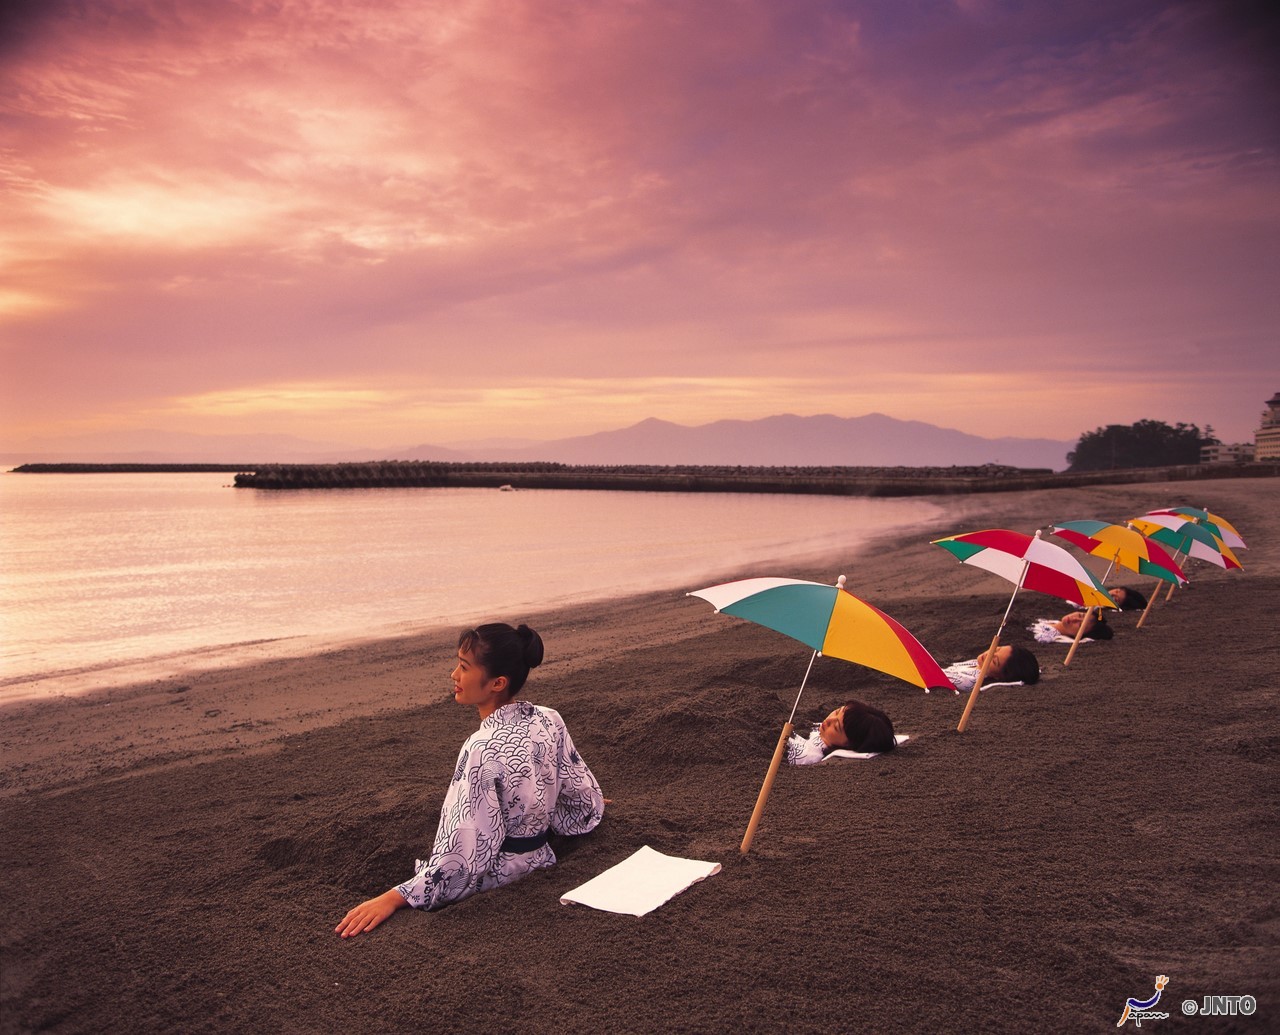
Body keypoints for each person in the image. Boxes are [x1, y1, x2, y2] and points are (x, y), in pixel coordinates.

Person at [335, 623, 604, 938]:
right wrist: (563, 802)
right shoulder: (548, 718)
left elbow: (463, 857)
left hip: (504, 875)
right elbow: (582, 797)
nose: (454, 675)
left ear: (497, 683)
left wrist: (396, 897)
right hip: (544, 857)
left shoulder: (481, 749)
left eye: (464, 667)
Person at [786, 699, 897, 765]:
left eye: (836, 726)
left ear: (848, 744)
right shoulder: (822, 729)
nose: (829, 720)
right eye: (837, 712)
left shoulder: (809, 755)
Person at [943, 644, 1040, 693]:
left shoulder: (969, 681)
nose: (988, 654)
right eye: (997, 649)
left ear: (998, 677)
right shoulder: (976, 663)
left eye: (994, 661)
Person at [1030, 609, 1113, 644]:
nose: (1075, 619)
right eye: (1080, 615)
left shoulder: (1045, 636)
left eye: (1080, 625)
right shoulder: (1050, 621)